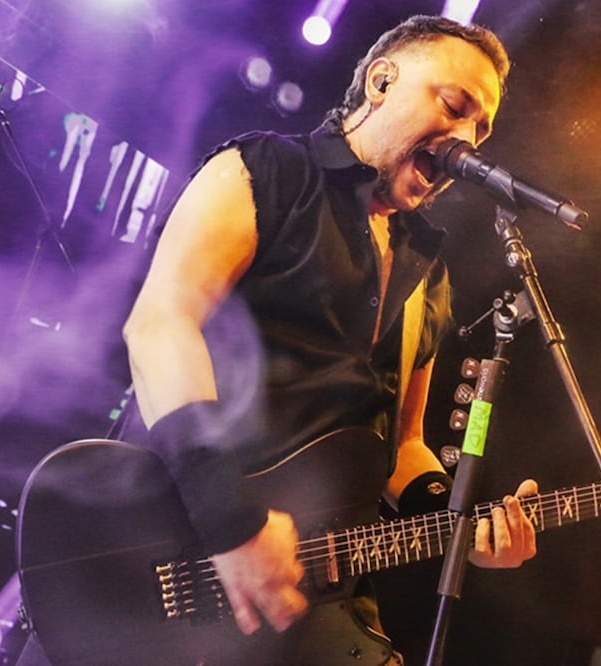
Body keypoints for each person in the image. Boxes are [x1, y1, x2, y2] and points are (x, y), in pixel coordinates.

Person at [118, 13, 539, 664]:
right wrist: (229, 520)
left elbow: (403, 446)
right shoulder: (265, 170)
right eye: (454, 106)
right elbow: (159, 325)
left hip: (317, 587)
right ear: (381, 80)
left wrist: (460, 523)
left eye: (479, 130)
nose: (465, 140)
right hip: (167, 539)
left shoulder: (426, 266)